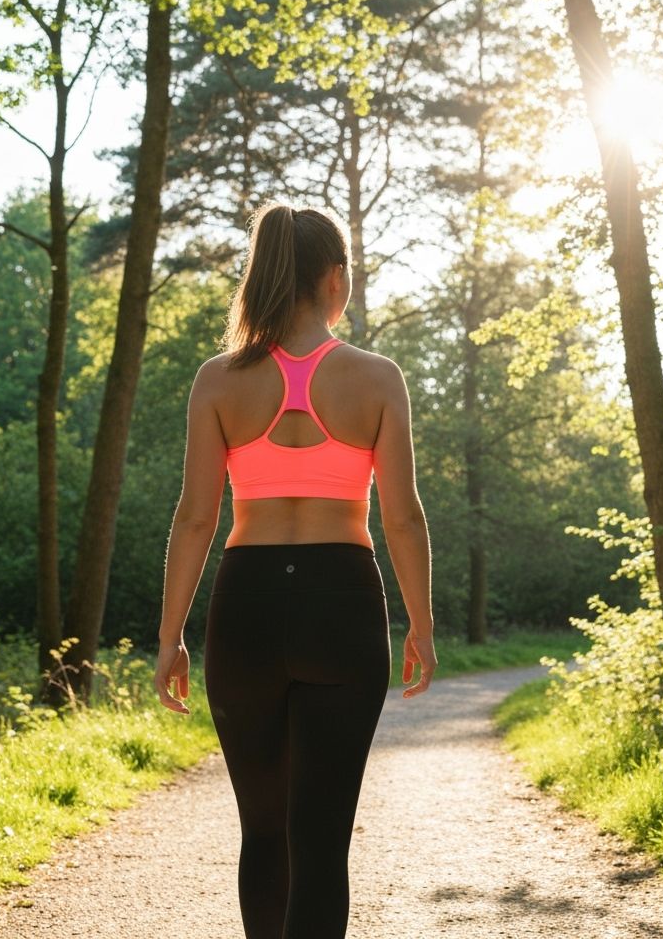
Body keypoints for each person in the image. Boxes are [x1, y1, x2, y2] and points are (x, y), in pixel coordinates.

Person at [153, 201, 437, 939]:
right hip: (343, 601)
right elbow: (403, 518)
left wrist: (170, 636)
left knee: (264, 831)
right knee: (321, 841)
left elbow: (195, 517)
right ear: (335, 279)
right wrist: (421, 625)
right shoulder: (377, 378)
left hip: (247, 603)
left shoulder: (219, 380)